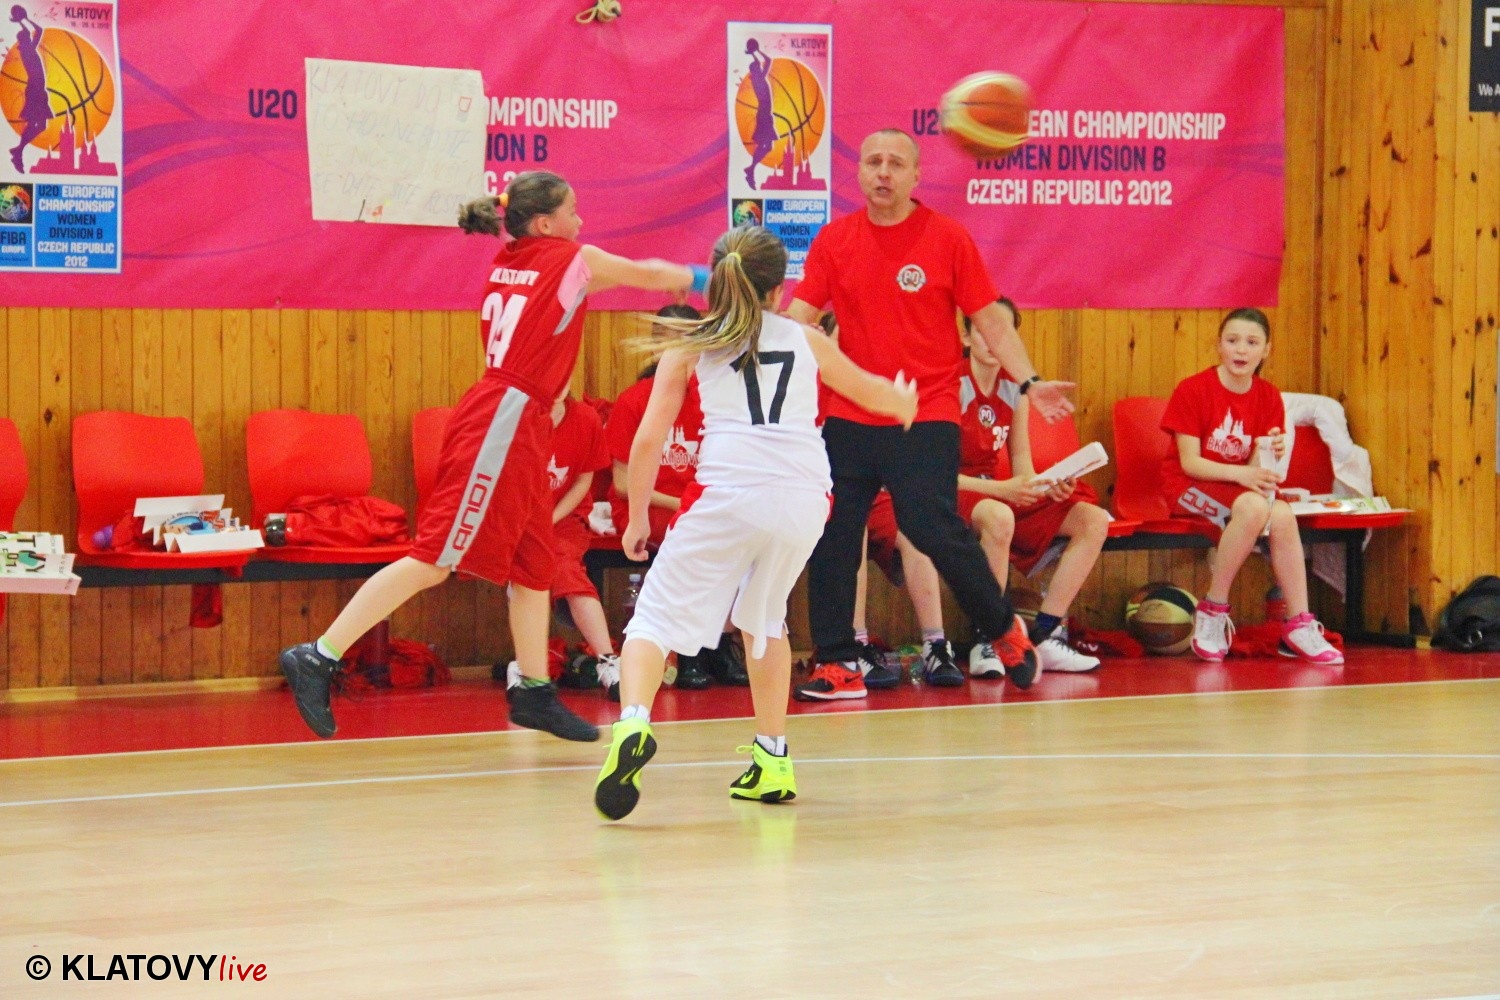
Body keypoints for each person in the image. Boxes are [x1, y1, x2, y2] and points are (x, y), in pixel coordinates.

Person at [279, 170, 707, 743]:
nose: (581, 220)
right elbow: (649, 274)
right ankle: (319, 653)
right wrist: (705, 277)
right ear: (545, 223)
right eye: (573, 210)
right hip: (503, 418)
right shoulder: (570, 259)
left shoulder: (510, 257)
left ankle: (533, 690)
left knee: (534, 562)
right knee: (435, 558)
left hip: (518, 416)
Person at [593, 225, 916, 821]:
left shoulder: (691, 344)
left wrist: (637, 515)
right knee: (764, 619)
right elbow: (873, 395)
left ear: (715, 281)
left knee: (654, 618)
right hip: (804, 498)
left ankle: (633, 724)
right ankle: (773, 761)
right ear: (778, 289)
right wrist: (904, 399)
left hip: (729, 492)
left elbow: (647, 439)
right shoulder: (806, 338)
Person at [786, 128, 1073, 699]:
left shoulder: (947, 238)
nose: (883, 172)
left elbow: (991, 322)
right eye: (873, 161)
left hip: (926, 411)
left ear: (916, 175)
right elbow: (798, 320)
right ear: (859, 173)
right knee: (834, 530)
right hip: (850, 413)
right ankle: (837, 662)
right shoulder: (835, 240)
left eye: (896, 163)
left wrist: (1030, 382)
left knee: (928, 524)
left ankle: (1002, 628)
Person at [1161, 307, 1343, 665]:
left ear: (1266, 350)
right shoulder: (1193, 389)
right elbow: (1190, 463)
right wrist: (1244, 477)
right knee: (1253, 506)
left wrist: (1269, 453)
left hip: (1236, 487)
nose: (1241, 350)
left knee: (1283, 514)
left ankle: (1299, 623)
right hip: (1188, 485)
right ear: (1219, 345)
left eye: (1251, 342)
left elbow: (1254, 470)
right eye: (1232, 341)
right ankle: (1213, 610)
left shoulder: (1269, 396)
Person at [957, 300, 1109, 676]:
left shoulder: (1015, 388)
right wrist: (1002, 491)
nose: (992, 339)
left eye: (1002, 331)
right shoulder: (951, 384)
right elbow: (931, 473)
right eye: (983, 329)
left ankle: (1045, 634)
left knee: (1092, 520)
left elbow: (1022, 465)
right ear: (966, 336)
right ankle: (989, 638)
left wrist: (1048, 485)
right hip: (953, 489)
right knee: (999, 516)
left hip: (995, 490)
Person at [605, 305, 748, 689]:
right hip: (650, 506)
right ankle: (691, 651)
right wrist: (685, 506)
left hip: (699, 504)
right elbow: (623, 483)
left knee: (738, 533)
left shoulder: (713, 397)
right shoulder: (635, 400)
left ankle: (719, 643)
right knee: (692, 537)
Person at [8, 6, 47, 173]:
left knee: (41, 126)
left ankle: (18, 150)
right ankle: (18, 153)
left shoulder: (27, 47)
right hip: (35, 90)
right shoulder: (28, 49)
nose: (30, 37)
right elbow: (39, 30)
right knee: (36, 124)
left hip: (38, 90)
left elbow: (34, 31)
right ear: (24, 40)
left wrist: (21, 20)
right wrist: (24, 20)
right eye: (27, 36)